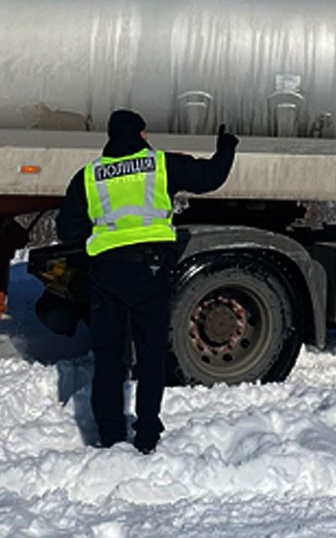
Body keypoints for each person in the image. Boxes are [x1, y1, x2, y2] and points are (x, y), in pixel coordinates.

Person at [57, 109, 238, 454]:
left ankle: (109, 436)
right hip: (150, 273)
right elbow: (211, 177)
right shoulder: (160, 164)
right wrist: (226, 147)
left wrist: (98, 245)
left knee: (108, 357)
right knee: (151, 356)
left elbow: (68, 230)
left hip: (107, 275)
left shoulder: (89, 176)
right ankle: (147, 435)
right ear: (141, 135)